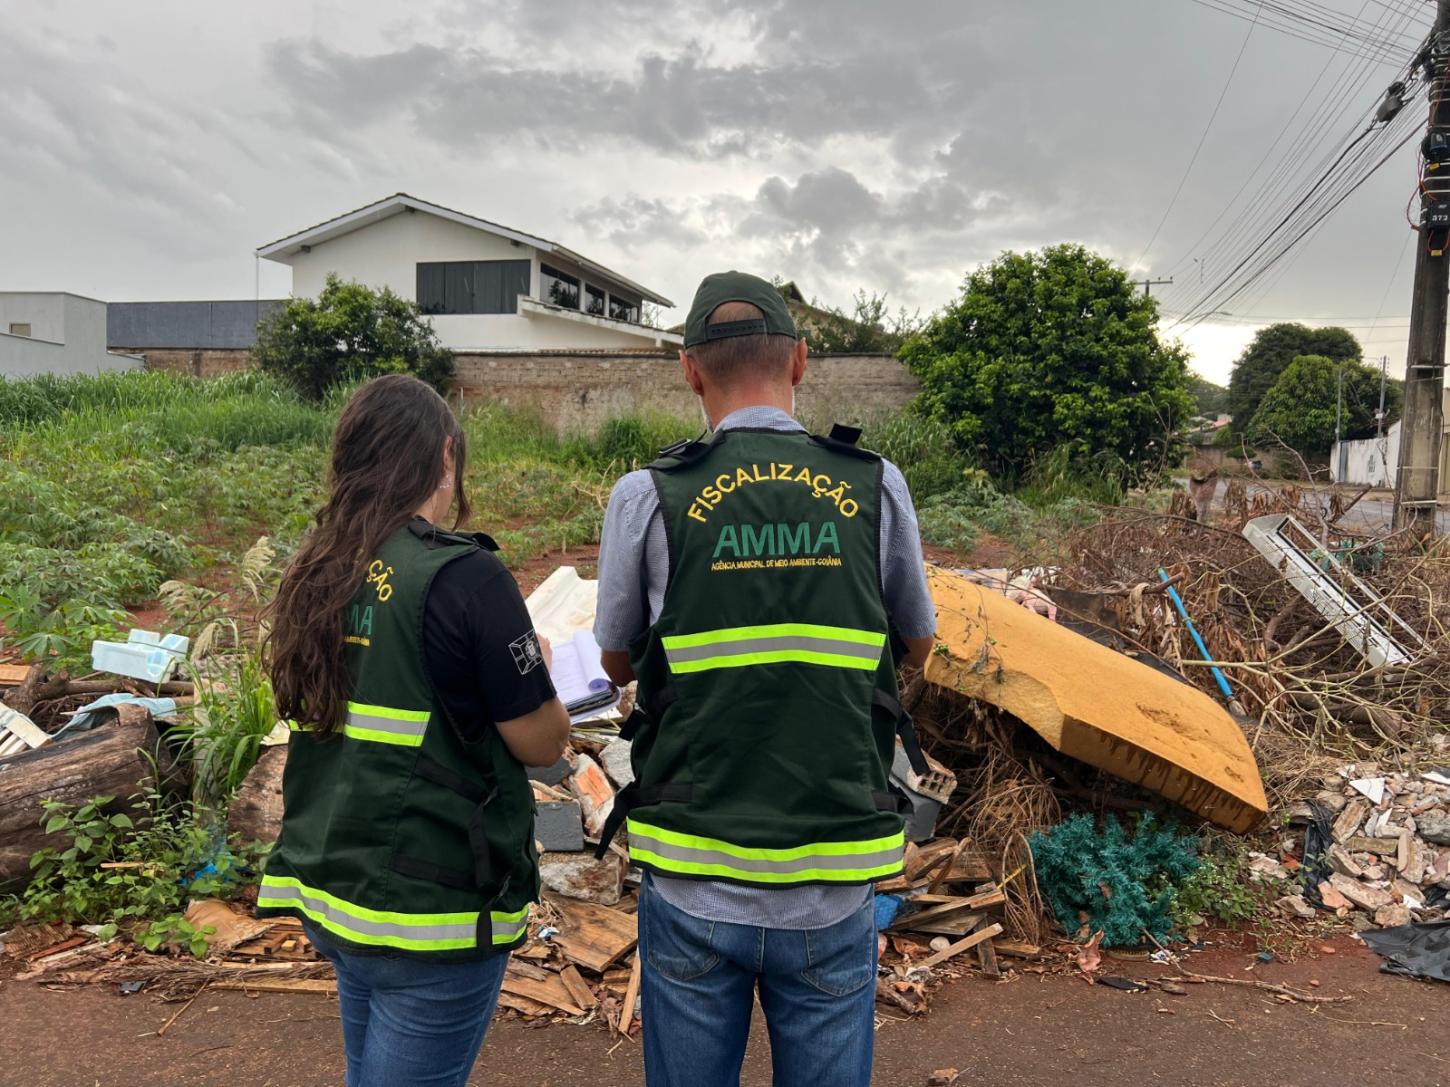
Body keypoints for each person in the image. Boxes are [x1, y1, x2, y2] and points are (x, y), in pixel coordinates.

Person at [593, 271, 937, 1087]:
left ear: (689, 369)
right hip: (832, 873)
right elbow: (917, 646)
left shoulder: (648, 495)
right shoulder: (873, 484)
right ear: (801, 362)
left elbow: (615, 659)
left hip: (695, 869)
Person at [258, 374, 570, 1087]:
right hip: (431, 913)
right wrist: (539, 674)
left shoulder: (319, 570)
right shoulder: (467, 577)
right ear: (446, 456)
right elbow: (542, 743)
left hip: (336, 894)